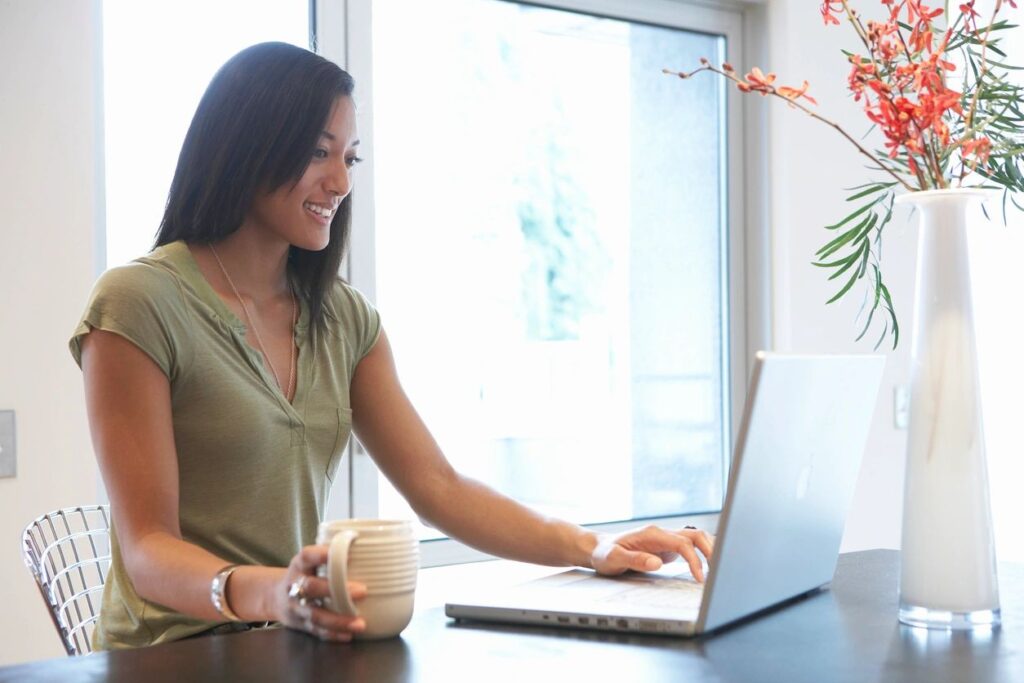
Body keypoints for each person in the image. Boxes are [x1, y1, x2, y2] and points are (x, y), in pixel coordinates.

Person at [70, 42, 714, 650]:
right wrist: (277, 591)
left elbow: (438, 485)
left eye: (349, 159)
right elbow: (147, 547)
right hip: (162, 658)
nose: (340, 183)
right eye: (318, 153)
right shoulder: (138, 302)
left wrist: (594, 549)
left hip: (289, 647)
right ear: (246, 146)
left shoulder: (344, 320)